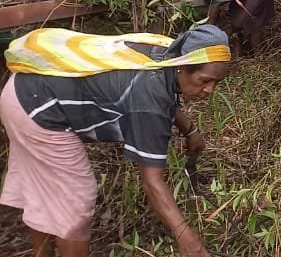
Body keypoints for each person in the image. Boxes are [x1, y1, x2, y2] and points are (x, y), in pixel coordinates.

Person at [2, 24, 233, 257]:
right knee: (76, 202)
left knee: (46, 193)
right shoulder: (149, 101)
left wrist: (190, 130)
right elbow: (152, 183)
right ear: (183, 66)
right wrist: (187, 238)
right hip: (37, 109)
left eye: (217, 82)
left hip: (25, 87)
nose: (209, 89)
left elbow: (162, 95)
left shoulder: (166, 52)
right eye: (205, 80)